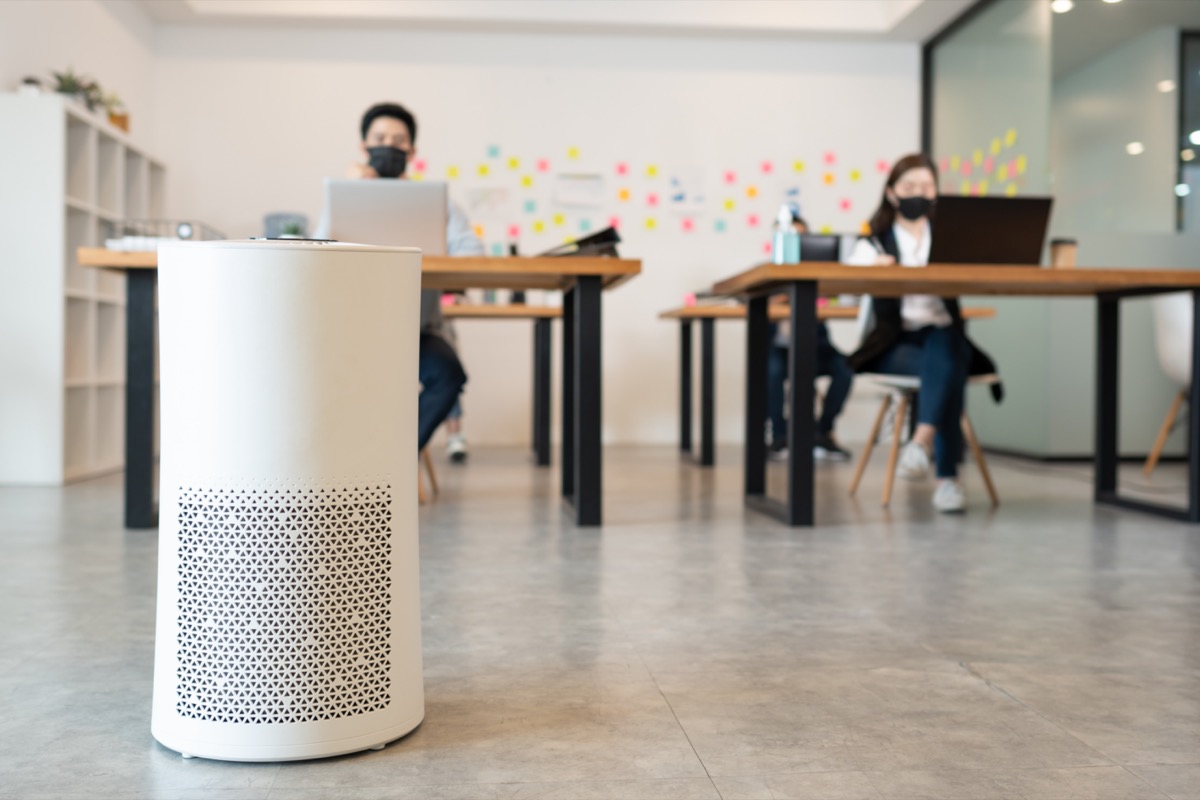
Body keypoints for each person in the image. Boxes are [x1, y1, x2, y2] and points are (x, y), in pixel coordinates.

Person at [315, 102, 484, 454]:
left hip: (416, 332)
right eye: (379, 138)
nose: (389, 146)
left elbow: (473, 255)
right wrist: (359, 188)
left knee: (449, 374)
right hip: (349, 332)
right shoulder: (342, 197)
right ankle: (349, 460)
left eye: (399, 139)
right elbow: (316, 258)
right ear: (363, 147)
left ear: (412, 150)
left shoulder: (438, 204)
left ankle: (392, 458)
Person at [845, 153, 1001, 513]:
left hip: (941, 337)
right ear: (892, 193)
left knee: (946, 345)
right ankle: (947, 479)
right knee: (950, 365)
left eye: (927, 186)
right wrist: (874, 269)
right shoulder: (875, 243)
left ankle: (919, 443)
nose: (919, 193)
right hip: (895, 343)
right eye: (910, 187)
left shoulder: (952, 239)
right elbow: (849, 280)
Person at [767, 213, 855, 461]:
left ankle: (822, 431)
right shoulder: (768, 275)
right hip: (780, 349)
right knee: (772, 372)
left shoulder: (821, 275)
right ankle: (780, 436)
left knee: (845, 369)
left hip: (816, 347)